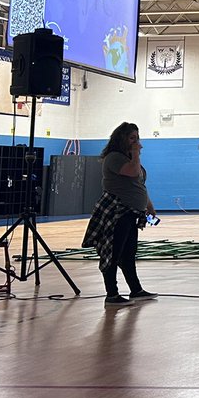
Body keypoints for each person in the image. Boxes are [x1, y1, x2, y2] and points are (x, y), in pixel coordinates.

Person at [82, 122, 157, 306]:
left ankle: (136, 289)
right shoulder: (114, 157)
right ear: (121, 139)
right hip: (117, 212)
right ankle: (112, 294)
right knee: (112, 253)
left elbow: (139, 184)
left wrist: (149, 205)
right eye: (132, 138)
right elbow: (132, 173)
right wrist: (136, 153)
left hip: (132, 212)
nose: (136, 142)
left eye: (137, 138)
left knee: (129, 253)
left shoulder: (130, 159)